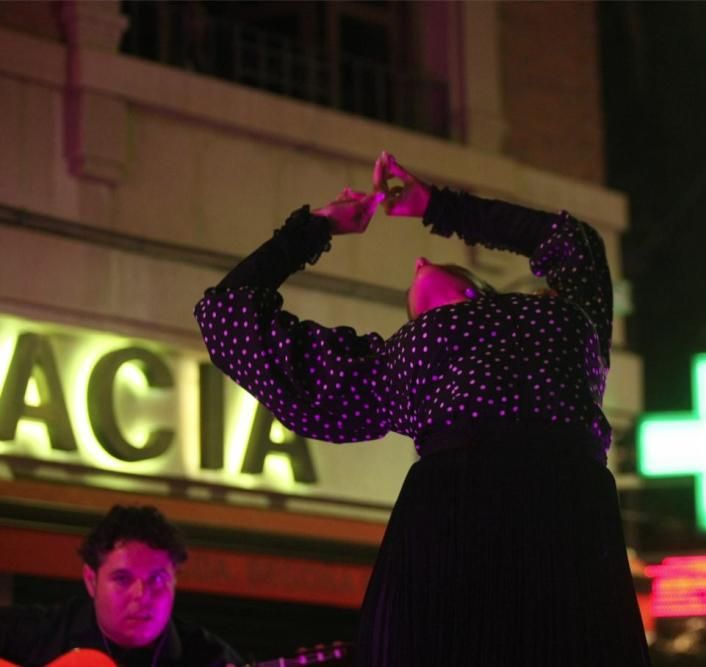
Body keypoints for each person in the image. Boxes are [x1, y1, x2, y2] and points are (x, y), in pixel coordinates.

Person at [194, 152, 650, 666]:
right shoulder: (393, 368)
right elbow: (226, 315)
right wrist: (314, 229)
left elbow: (574, 243)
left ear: (482, 292)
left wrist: (439, 206)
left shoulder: (568, 327)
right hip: (467, 532)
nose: (416, 265)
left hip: (560, 529)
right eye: (416, 317)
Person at [0, 505, 242, 667]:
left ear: (175, 581)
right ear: (91, 581)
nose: (141, 595)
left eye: (157, 580)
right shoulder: (45, 632)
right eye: (122, 579)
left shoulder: (211, 658)